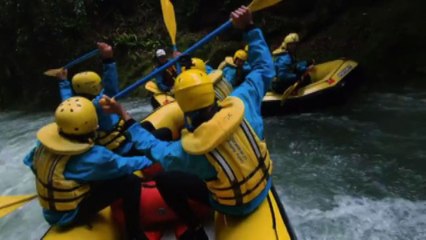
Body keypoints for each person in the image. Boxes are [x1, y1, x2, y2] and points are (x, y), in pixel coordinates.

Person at [100, 6, 275, 239]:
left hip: (232, 206)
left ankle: (193, 226)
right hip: (263, 186)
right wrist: (250, 28)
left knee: (164, 178)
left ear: (182, 106)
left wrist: (124, 114)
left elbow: (154, 149)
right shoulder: (242, 101)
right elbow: (264, 68)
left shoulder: (192, 151)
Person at [23, 97, 153, 240]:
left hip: (49, 212)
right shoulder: (93, 157)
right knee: (130, 181)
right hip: (71, 215)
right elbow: (125, 165)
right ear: (93, 125)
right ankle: (135, 234)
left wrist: (55, 185)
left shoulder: (41, 146)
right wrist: (154, 158)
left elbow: (30, 162)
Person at [55, 42, 134, 155]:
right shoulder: (100, 102)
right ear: (97, 85)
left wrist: (63, 81)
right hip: (125, 146)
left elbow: (67, 100)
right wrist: (108, 59)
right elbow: (111, 86)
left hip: (106, 150)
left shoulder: (75, 108)